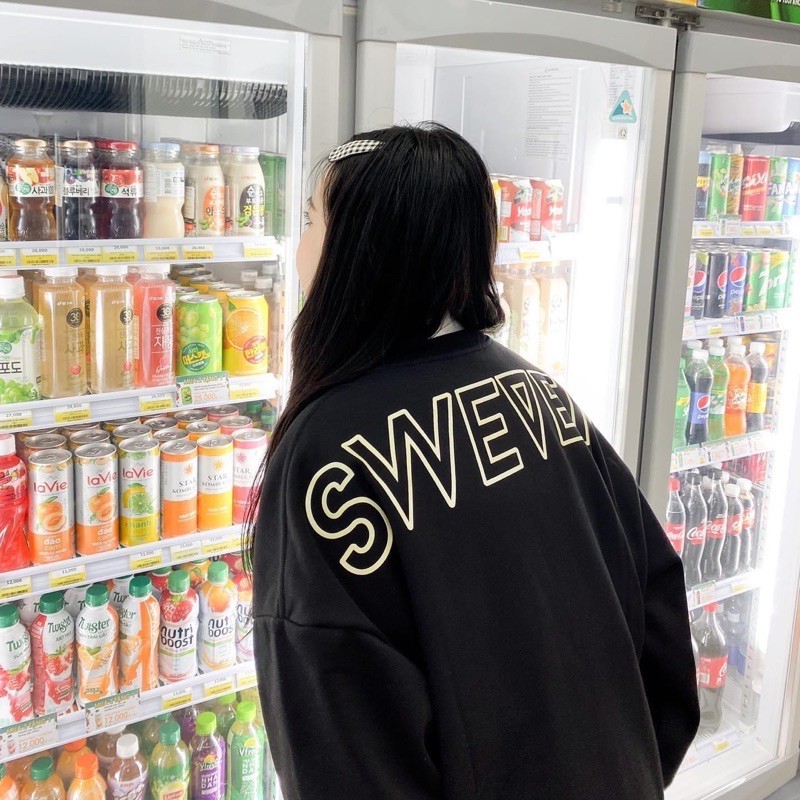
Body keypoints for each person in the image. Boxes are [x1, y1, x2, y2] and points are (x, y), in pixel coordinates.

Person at [249, 123, 699, 800]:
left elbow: (341, 739)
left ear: (357, 251)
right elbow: (660, 614)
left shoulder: (326, 455)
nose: (299, 244)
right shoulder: (541, 395)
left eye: (311, 218)